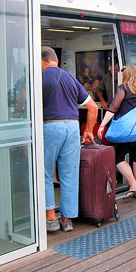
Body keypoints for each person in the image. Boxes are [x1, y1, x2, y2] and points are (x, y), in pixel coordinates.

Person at [42, 46, 98, 233]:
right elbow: (93, 108)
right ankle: (67, 219)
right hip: (73, 127)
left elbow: (24, 103)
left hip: (50, 126)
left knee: (45, 173)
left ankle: (50, 218)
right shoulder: (70, 78)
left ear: (42, 61)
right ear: (56, 60)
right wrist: (88, 131)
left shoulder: (39, 77)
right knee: (69, 174)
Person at [97, 64, 136, 200]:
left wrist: (102, 125)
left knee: (118, 157)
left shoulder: (123, 88)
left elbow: (113, 108)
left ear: (126, 75)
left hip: (127, 129)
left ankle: (134, 185)